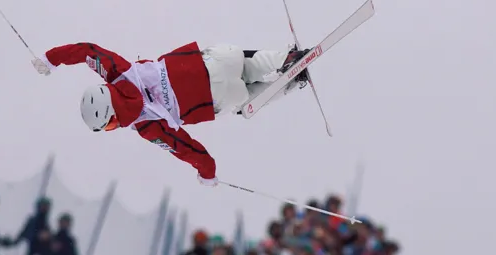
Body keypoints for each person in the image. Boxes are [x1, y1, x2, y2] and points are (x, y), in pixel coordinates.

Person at [31, 42, 309, 186]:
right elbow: (86, 50)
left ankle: (293, 80)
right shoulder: (119, 71)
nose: (114, 128)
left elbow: (187, 149)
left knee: (244, 103)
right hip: (213, 60)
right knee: (245, 63)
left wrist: (208, 173)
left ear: (111, 117)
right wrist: (51, 59)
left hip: (217, 98)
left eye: (109, 126)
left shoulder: (147, 126)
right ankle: (286, 58)